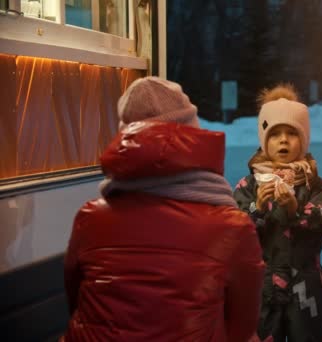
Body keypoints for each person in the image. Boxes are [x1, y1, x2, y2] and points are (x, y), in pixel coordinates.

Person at [62, 76, 264, 342]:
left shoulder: (89, 217)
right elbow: (242, 328)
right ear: (193, 135)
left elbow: (77, 301)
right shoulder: (231, 227)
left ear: (125, 140)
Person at [233, 84, 322, 342]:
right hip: (262, 289)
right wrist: (257, 209)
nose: (283, 140)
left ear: (303, 140)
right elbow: (234, 232)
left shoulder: (315, 185)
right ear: (263, 139)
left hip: (307, 288)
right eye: (274, 133)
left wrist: (296, 210)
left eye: (291, 133)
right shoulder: (248, 186)